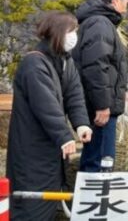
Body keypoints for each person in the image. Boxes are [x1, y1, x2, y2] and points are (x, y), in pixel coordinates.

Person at [6, 12, 92, 221]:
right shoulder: (34, 63)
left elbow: (74, 94)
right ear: (58, 33)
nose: (74, 37)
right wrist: (64, 136)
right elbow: (45, 105)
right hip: (31, 149)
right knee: (31, 207)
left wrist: (81, 123)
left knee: (48, 205)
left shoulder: (65, 60)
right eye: (71, 31)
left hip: (51, 152)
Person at [72, 0, 128, 172]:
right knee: (100, 164)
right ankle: (93, 202)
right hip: (101, 109)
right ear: (115, 0)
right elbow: (96, 66)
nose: (126, 8)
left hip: (99, 103)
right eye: (126, 2)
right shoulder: (100, 23)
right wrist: (103, 104)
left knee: (96, 160)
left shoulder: (97, 21)